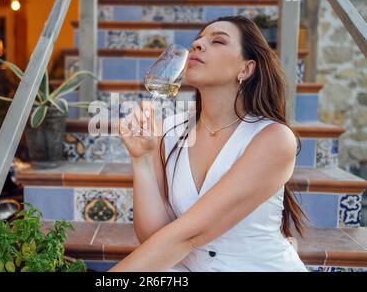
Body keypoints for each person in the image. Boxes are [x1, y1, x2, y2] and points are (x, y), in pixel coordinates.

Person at [111, 15, 308, 272]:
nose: (198, 45)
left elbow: (188, 235)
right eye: (198, 40)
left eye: (217, 41)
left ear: (246, 69)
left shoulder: (273, 139)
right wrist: (143, 159)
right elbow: (155, 237)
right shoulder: (171, 129)